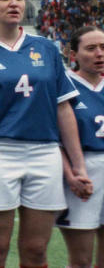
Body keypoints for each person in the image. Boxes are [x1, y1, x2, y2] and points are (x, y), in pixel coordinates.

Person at [0, 0, 90, 268]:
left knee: (36, 251)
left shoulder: (46, 48)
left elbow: (63, 108)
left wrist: (77, 165)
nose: (14, 3)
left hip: (45, 154)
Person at [56, 26, 104, 268]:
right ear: (73, 54)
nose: (99, 54)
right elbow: (54, 140)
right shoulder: (64, 87)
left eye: (103, 48)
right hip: (82, 173)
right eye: (91, 48)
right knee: (81, 261)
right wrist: (70, 175)